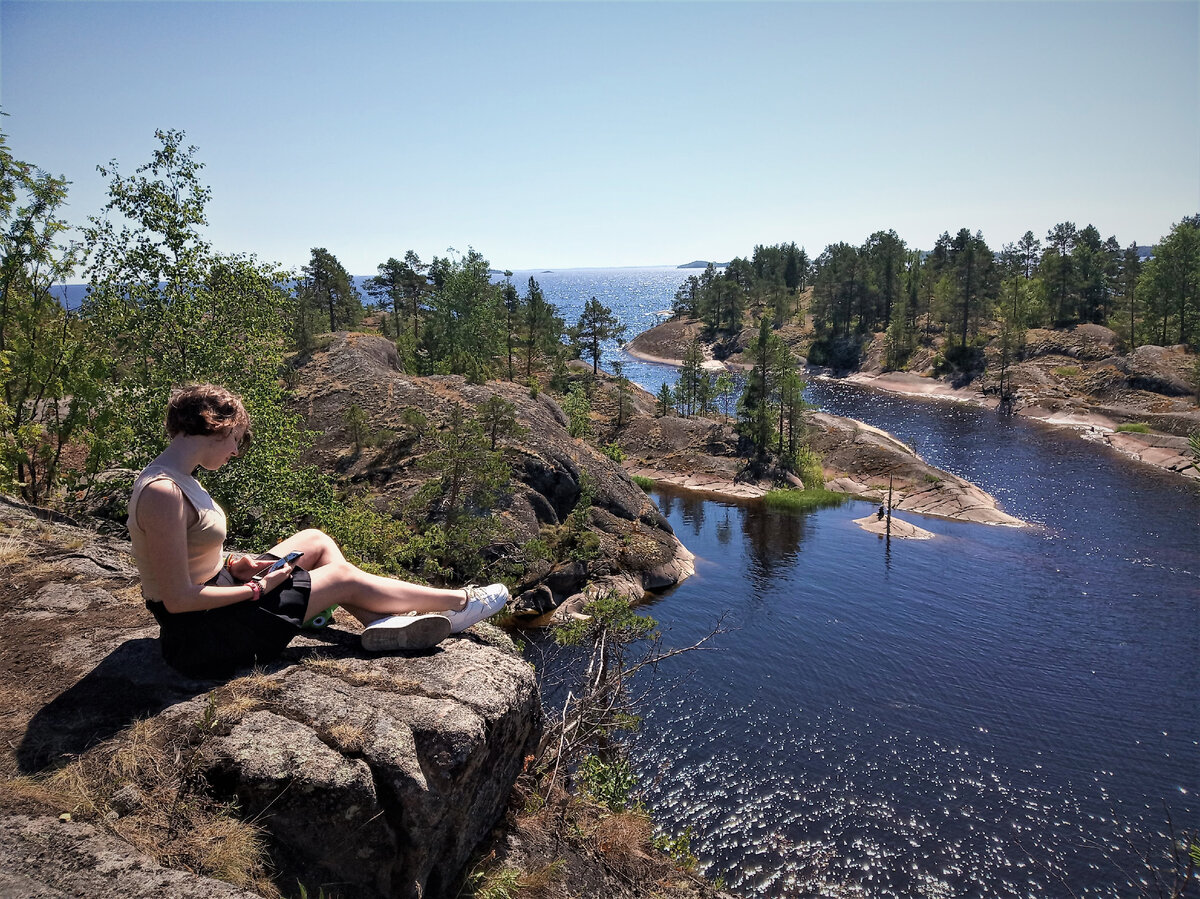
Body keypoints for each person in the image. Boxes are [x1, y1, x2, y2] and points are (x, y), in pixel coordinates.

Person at [127, 384, 508, 677]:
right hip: (204, 639)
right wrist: (256, 588)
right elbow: (177, 600)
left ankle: (380, 624)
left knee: (315, 540)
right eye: (237, 439)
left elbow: (187, 556)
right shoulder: (164, 492)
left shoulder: (177, 477)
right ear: (217, 427)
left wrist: (233, 565)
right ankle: (460, 603)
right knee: (340, 576)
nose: (236, 451)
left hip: (219, 599)